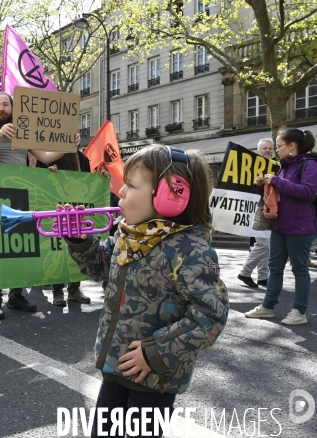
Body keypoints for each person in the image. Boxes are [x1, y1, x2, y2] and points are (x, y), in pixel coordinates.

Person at [63, 144, 229, 437]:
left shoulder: (191, 250)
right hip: (116, 366)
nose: (121, 193)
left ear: (171, 195)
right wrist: (80, 241)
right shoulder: (127, 234)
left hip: (154, 377)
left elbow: (210, 317)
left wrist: (155, 352)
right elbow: (101, 267)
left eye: (130, 185)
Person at [0, 92, 73, 320]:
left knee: (19, 247)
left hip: (19, 197)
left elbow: (47, 157)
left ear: (13, 108)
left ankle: (16, 295)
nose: (1, 109)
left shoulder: (24, 134)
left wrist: (69, 144)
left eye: (5, 105)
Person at [245, 128, 317, 326]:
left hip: (300, 227)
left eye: (279, 146)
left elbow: (309, 192)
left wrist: (277, 181)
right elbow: (277, 195)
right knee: (274, 267)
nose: (276, 150)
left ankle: (299, 311)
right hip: (280, 225)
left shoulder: (309, 165)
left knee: (300, 269)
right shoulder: (283, 166)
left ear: (292, 146)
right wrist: (262, 185)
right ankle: (268, 307)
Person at [44, 151, 93, 306]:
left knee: (77, 246)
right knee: (56, 250)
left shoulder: (82, 158)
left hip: (76, 205)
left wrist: (102, 177)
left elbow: (89, 179)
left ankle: (74, 290)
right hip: (57, 203)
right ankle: (57, 292)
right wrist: (48, 171)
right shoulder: (49, 153)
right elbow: (38, 174)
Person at [237, 138, 275, 288]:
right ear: (258, 151)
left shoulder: (275, 167)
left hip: (270, 211)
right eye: (264, 148)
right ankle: (245, 273)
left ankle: (263, 277)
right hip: (257, 210)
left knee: (265, 246)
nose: (267, 150)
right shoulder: (251, 168)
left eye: (270, 148)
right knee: (263, 245)